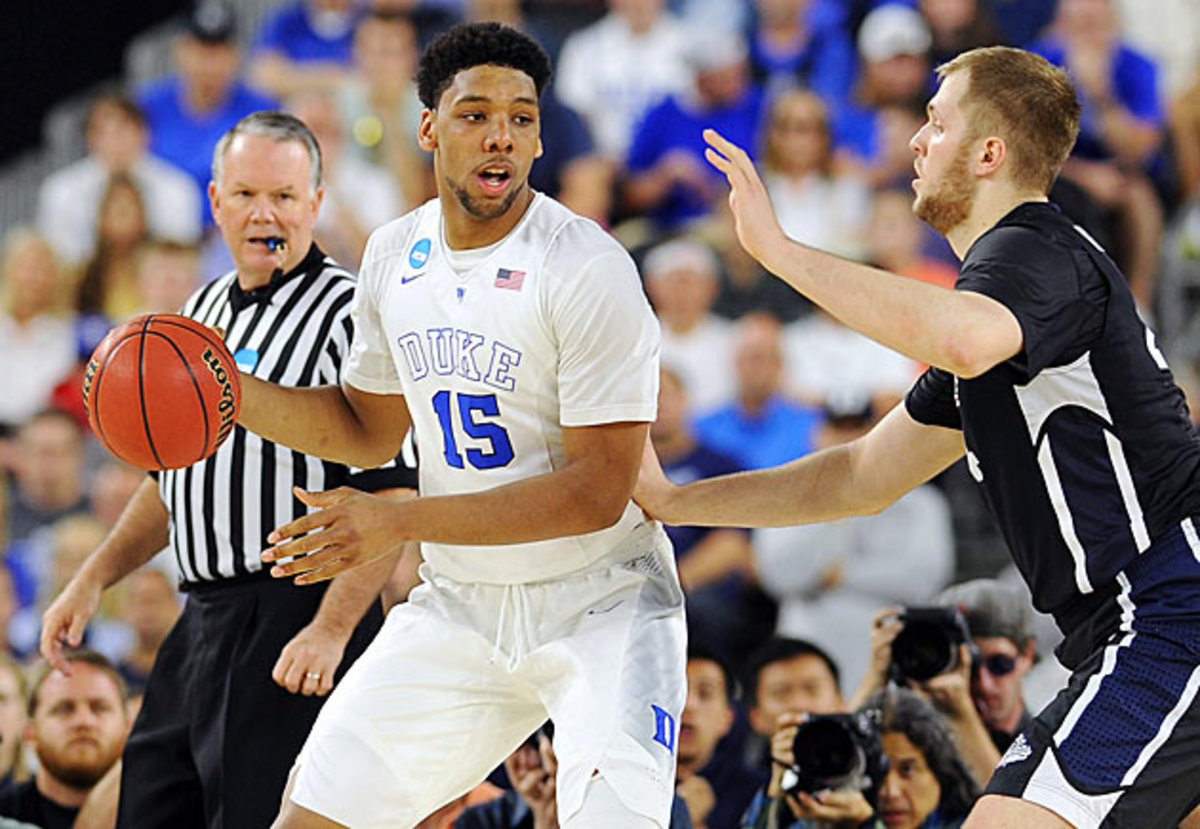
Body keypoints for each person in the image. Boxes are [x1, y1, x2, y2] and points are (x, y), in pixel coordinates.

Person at [637, 44, 1200, 827]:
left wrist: (779, 252)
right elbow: (857, 478)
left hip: (1170, 613)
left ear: (989, 153)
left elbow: (963, 337)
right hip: (1129, 625)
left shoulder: (1035, 249)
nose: (914, 141)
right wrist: (676, 500)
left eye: (937, 123)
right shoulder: (1001, 322)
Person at [232, 22, 686, 828]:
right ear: (428, 128)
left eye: (521, 118)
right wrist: (228, 390)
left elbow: (596, 493)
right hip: (462, 606)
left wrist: (397, 520)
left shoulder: (587, 267)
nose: (500, 135)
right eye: (475, 114)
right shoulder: (391, 254)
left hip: (601, 602)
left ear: (539, 140)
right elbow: (367, 428)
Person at [39, 111, 411, 829]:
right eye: (245, 194)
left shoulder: (352, 314)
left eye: (283, 195)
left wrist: (332, 628)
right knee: (144, 810)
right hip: (202, 617)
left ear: (315, 202)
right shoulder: (198, 313)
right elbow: (170, 481)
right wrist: (92, 577)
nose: (264, 213)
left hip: (296, 612)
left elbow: (391, 492)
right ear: (215, 202)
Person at [35, 93, 200, 269]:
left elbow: (181, 253)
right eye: (104, 132)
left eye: (123, 130)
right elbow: (60, 258)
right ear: (89, 139)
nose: (115, 142)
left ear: (145, 134)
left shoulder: (178, 188)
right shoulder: (60, 191)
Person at [0, 650, 127, 829]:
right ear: (30, 732)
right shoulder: (4, 815)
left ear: (129, 727)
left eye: (99, 708)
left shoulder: (158, 814)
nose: (84, 721)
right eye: (64, 708)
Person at [677, 648, 761, 829]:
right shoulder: (621, 777)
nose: (688, 704)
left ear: (727, 719)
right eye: (677, 692)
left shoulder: (754, 793)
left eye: (705, 693)